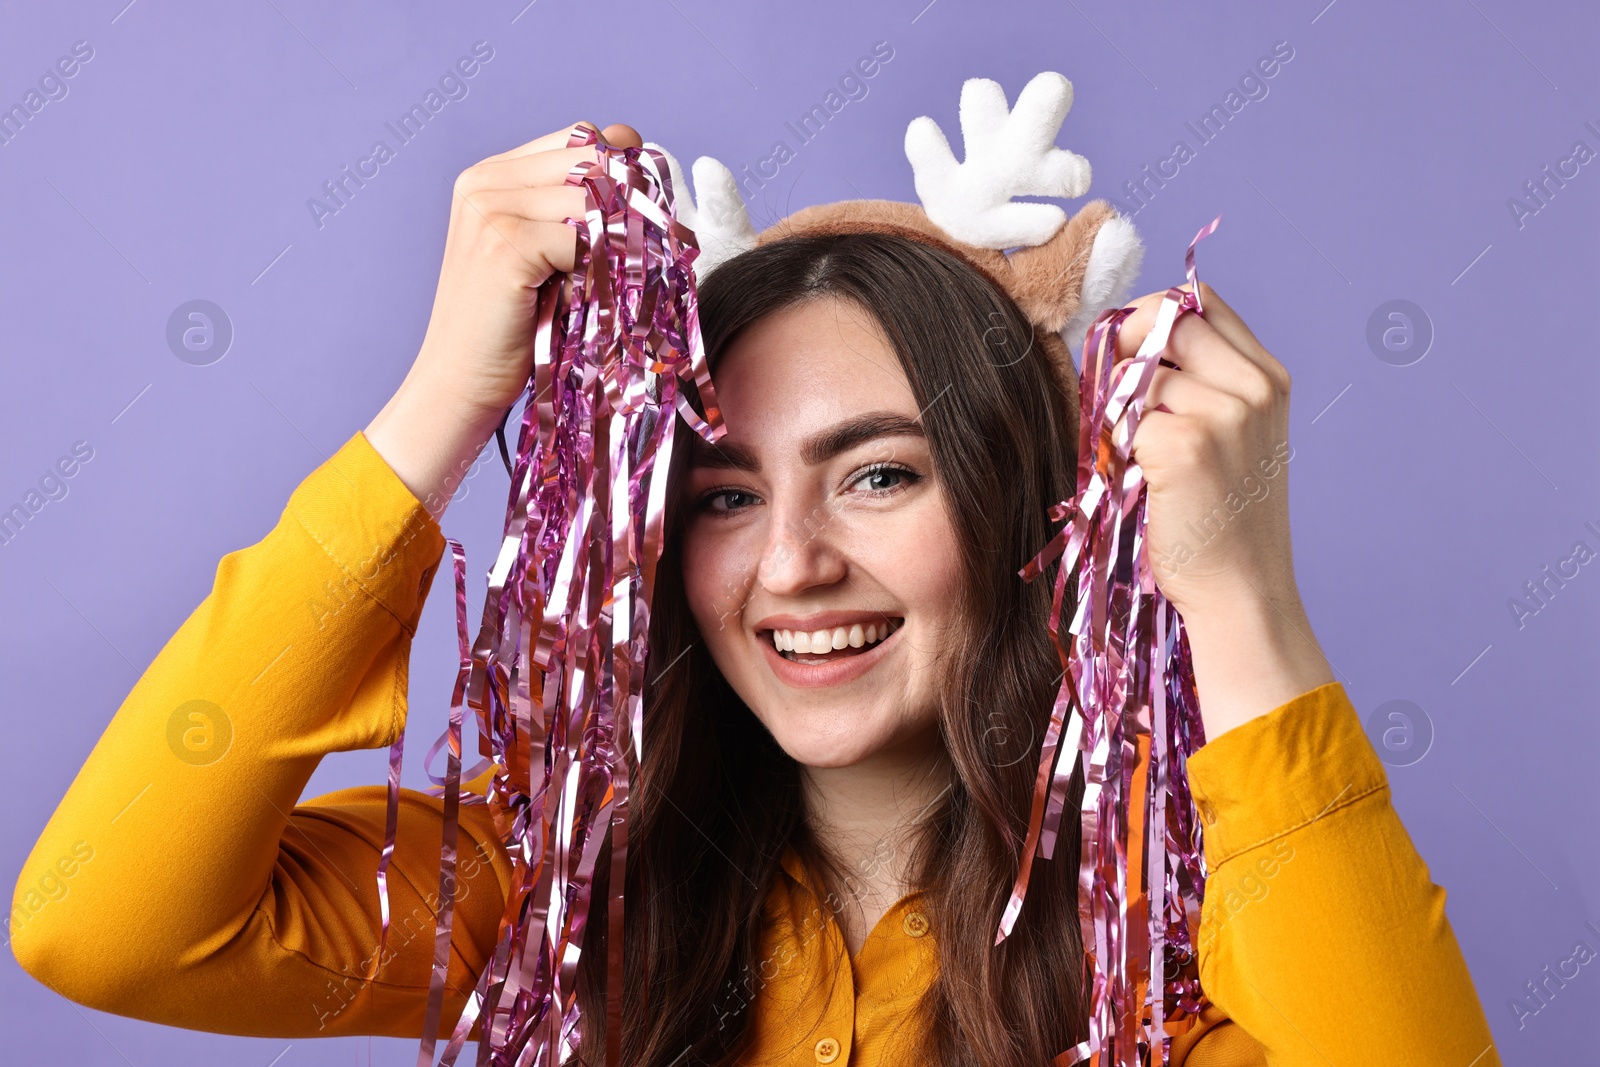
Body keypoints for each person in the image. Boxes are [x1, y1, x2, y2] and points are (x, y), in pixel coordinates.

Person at [9, 118, 1500, 1066]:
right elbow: (102, 925)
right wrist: (443, 405)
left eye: (881, 476)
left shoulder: (1182, 946)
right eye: (724, 494)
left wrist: (1238, 603)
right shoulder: (550, 900)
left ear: (1034, 512)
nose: (790, 564)